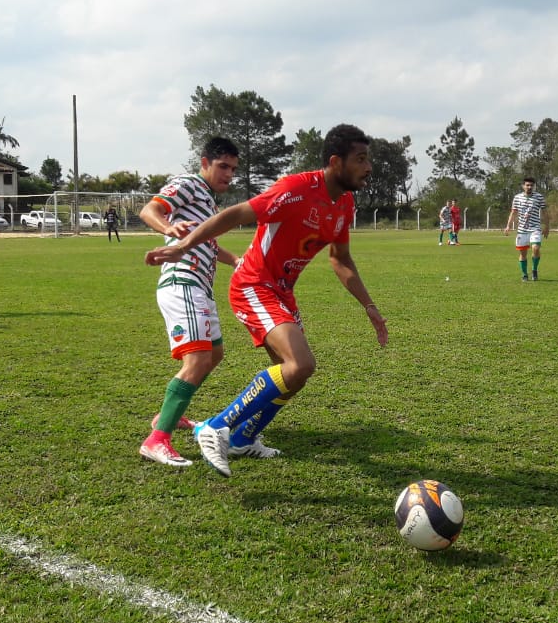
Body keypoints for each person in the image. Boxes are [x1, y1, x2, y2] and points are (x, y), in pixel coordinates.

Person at [145, 123, 388, 477]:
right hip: (254, 284)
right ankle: (217, 426)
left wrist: (369, 306)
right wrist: (182, 245)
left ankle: (243, 437)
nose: (368, 167)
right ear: (336, 162)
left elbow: (341, 259)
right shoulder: (296, 189)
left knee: (293, 374)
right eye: (361, 159)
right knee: (300, 364)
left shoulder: (345, 204)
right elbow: (235, 214)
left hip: (282, 292)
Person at [137, 137, 241, 467]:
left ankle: (167, 415)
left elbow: (208, 245)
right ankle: (157, 440)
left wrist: (236, 260)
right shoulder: (189, 184)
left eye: (233, 169)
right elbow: (149, 210)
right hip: (183, 283)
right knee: (197, 360)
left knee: (214, 355)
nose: (229, 174)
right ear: (205, 163)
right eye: (223, 166)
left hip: (200, 288)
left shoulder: (208, 202)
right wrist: (169, 228)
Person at [502, 177, 548, 281]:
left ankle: (534, 270)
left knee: (536, 248)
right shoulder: (517, 198)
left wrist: (547, 226)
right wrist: (508, 226)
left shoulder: (539, 197)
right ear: (523, 186)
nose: (529, 187)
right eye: (527, 185)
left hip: (535, 228)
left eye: (531, 185)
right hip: (522, 230)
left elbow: (545, 212)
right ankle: (524, 274)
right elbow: (513, 212)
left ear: (534, 186)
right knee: (523, 253)